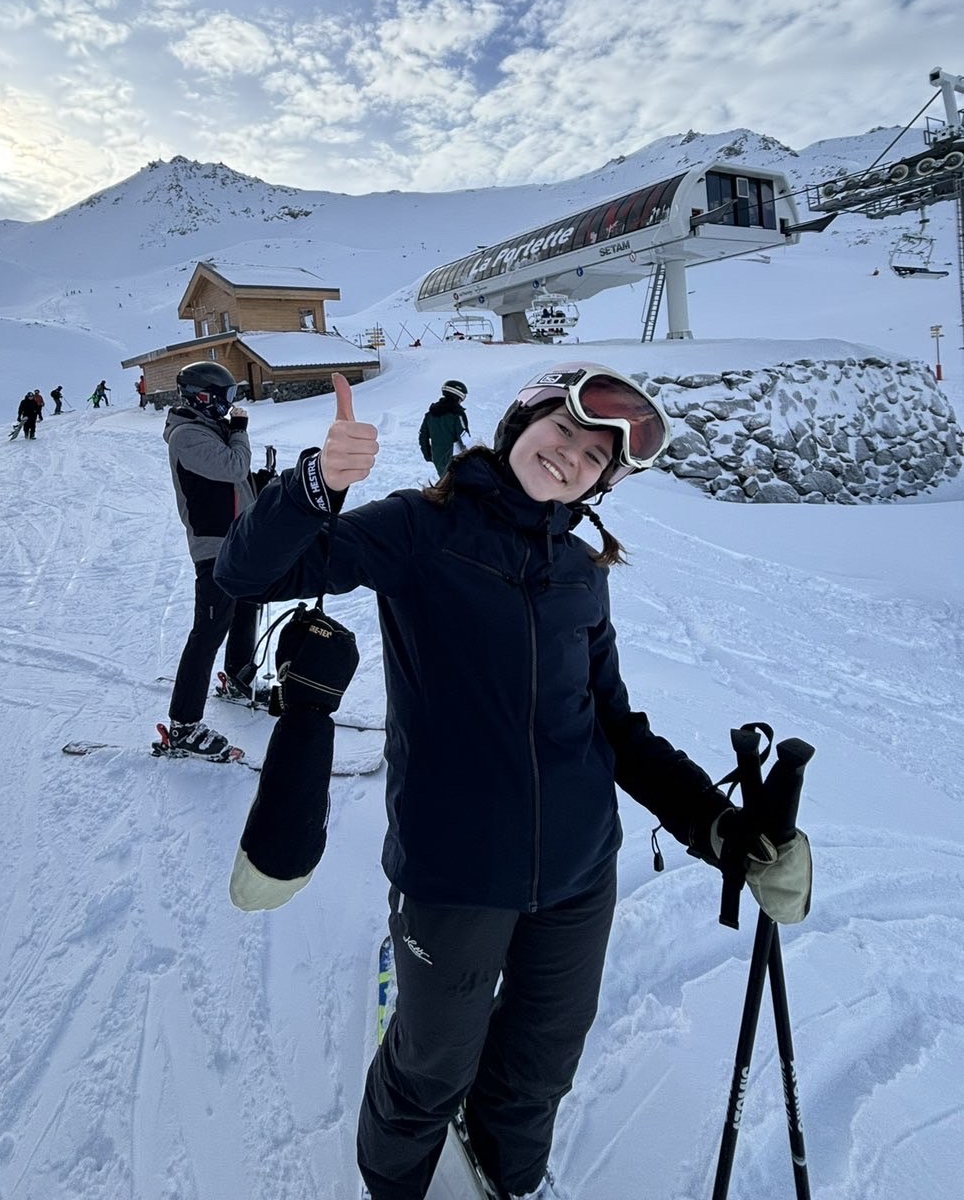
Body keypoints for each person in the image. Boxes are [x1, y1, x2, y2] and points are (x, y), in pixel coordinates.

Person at [215, 364, 812, 1200]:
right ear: (519, 425)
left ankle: (509, 1176)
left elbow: (614, 729)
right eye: (562, 433)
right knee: (429, 1069)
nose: (570, 458)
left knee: (541, 1065)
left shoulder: (580, 571)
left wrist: (724, 831)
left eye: (595, 456)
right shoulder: (422, 528)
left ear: (607, 480)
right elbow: (248, 575)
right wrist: (316, 483)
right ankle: (394, 1186)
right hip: (455, 875)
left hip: (578, 875)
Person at [160, 361, 262, 761]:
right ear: (203, 398)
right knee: (208, 630)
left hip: (236, 538)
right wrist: (240, 432)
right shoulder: (186, 436)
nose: (229, 407)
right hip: (213, 545)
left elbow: (236, 478)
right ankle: (183, 725)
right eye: (225, 398)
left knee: (248, 602)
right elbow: (233, 465)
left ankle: (238, 677)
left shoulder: (207, 428)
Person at [417, 379, 469, 477]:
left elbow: (422, 436)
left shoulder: (430, 414)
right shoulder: (457, 414)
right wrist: (471, 456)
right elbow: (464, 437)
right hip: (456, 457)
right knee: (457, 485)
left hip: (438, 457)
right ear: (458, 396)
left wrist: (428, 454)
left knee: (445, 483)